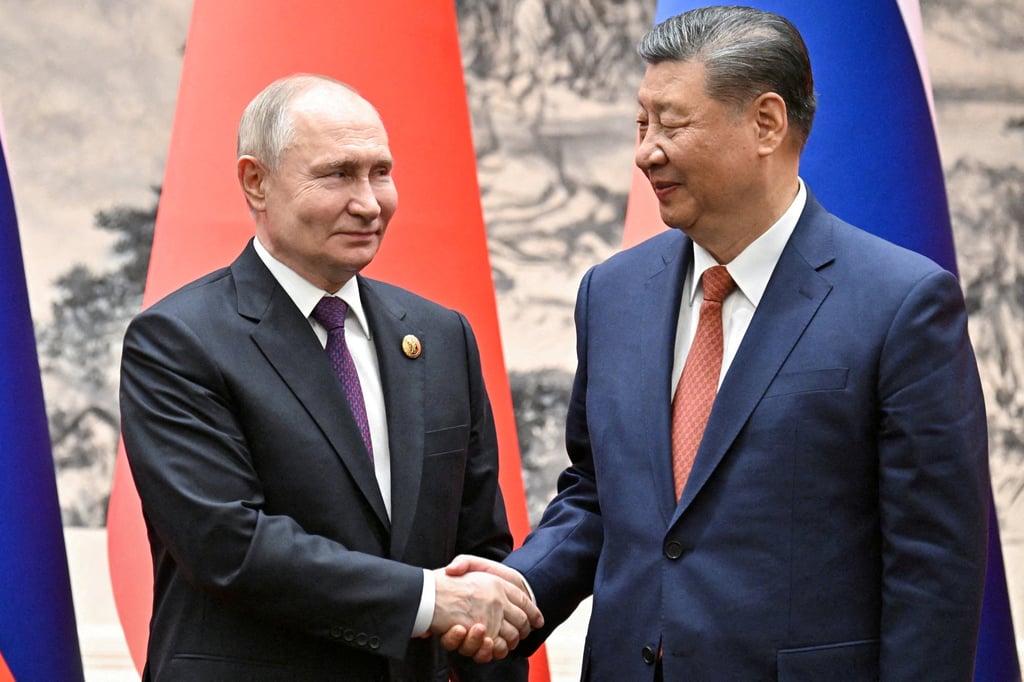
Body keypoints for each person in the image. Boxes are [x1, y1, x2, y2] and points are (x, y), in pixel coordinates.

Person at [446, 6, 990, 680]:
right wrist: (518, 589)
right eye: (641, 124)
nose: (646, 151)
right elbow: (597, 493)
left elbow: (933, 568)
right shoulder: (613, 294)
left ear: (766, 123)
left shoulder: (901, 305)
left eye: (671, 124)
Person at [119, 73, 541, 682]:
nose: (370, 202)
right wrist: (426, 601)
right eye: (338, 174)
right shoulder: (179, 340)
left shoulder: (442, 335)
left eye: (381, 172)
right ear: (255, 181)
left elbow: (480, 549)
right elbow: (228, 544)